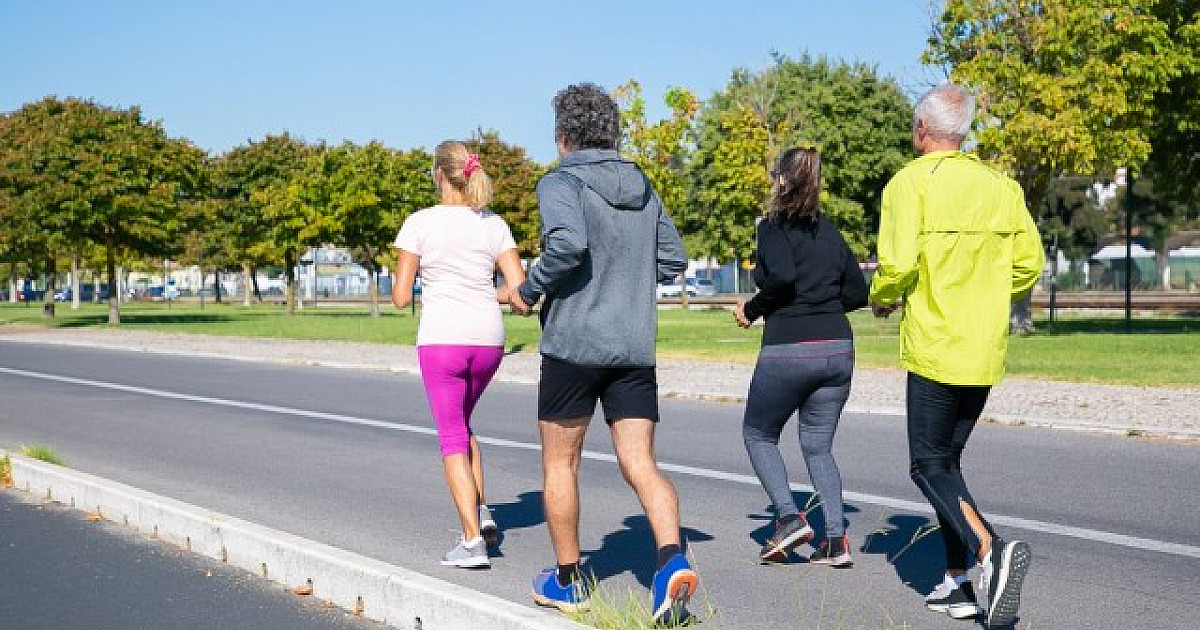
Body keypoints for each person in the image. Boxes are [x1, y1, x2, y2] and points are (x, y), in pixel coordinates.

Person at [509, 82, 698, 625]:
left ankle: (568, 581)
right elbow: (674, 260)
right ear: (612, 131)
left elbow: (567, 246)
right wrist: (628, 283)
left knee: (560, 463)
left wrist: (527, 290)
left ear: (563, 135)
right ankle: (670, 563)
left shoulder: (560, 182)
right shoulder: (642, 183)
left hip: (573, 346)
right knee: (641, 464)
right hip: (633, 347)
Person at [870, 83, 1044, 627]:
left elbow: (895, 266)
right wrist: (986, 291)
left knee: (926, 465)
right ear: (962, 130)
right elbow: (1029, 264)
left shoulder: (907, 184)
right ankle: (953, 582)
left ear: (923, 130)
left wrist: (882, 297)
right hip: (983, 347)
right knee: (949, 463)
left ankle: (990, 550)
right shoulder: (1001, 186)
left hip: (935, 345)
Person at [392, 140, 525, 569]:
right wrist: (484, 292)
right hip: (489, 340)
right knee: (463, 426)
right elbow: (519, 291)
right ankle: (482, 513)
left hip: (443, 339)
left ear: (437, 175)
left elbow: (398, 297)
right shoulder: (494, 224)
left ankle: (471, 543)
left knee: (451, 437)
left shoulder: (419, 223)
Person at [733, 147, 867, 567]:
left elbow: (784, 279)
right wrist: (822, 312)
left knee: (758, 433)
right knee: (818, 448)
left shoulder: (771, 228)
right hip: (837, 350)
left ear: (784, 181)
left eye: (775, 175)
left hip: (788, 349)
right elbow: (857, 293)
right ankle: (835, 541)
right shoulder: (831, 232)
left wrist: (751, 310)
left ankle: (789, 518)